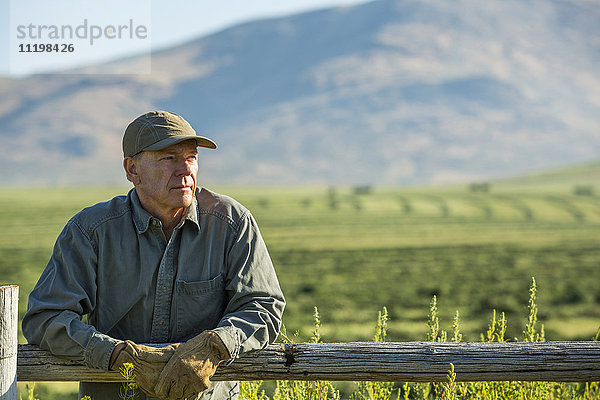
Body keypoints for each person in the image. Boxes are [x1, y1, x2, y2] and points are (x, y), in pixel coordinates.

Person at [22, 111, 286, 400]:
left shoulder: (232, 223)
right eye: (169, 158)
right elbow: (45, 318)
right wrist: (115, 354)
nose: (185, 170)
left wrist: (214, 345)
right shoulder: (91, 232)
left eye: (191, 157)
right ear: (132, 169)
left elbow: (263, 306)